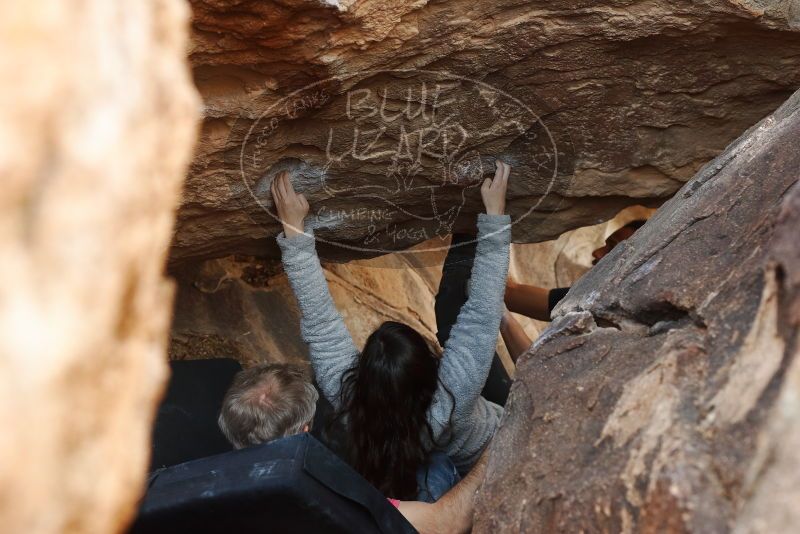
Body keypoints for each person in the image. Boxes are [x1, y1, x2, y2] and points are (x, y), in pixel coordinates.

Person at [270, 161, 511, 501]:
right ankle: (467, 228)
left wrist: (293, 228)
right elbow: (482, 314)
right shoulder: (456, 392)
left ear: (363, 374)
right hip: (490, 454)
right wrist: (495, 215)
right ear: (431, 368)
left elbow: (321, 324)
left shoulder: (347, 397)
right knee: (452, 306)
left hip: (432, 474)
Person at [218, 362, 489, 534]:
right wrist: (499, 446)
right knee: (438, 465)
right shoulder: (332, 497)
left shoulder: (211, 492)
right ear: (303, 431)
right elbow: (446, 523)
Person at [499, 219, 647, 360]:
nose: (597, 253)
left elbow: (542, 379)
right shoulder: (584, 299)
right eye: (605, 244)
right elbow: (509, 294)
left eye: (612, 249)